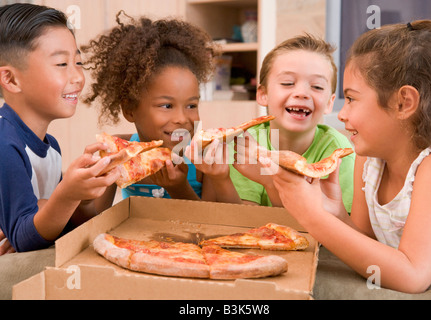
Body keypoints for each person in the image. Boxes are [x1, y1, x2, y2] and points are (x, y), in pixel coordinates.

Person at [261, 20, 431, 293]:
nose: (341, 114)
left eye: (351, 99)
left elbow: (413, 275)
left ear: (403, 103)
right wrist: (335, 212)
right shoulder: (369, 159)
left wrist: (312, 216)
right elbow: (364, 244)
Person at [0, 3, 119, 254]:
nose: (77, 77)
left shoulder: (51, 146)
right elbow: (25, 239)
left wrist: (88, 189)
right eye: (62, 64)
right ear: (11, 79)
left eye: (78, 62)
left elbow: (63, 223)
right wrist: (65, 196)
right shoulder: (5, 144)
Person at [188, 34, 355, 210]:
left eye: (317, 87)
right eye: (288, 83)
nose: (302, 93)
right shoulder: (244, 146)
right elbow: (244, 227)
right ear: (263, 94)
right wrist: (220, 179)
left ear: (330, 102)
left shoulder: (339, 154)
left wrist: (269, 181)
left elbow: (332, 229)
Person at [82, 12, 220, 208]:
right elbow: (93, 218)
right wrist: (84, 191)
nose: (181, 118)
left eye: (191, 105)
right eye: (166, 106)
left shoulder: (205, 158)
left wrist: (179, 187)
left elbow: (212, 224)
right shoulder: (120, 151)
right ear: (130, 110)